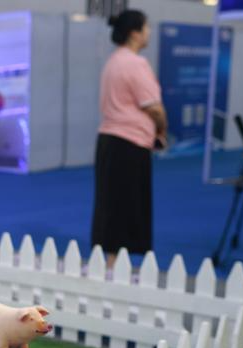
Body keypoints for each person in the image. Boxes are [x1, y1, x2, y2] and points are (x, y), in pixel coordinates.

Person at [91, 10, 166, 264]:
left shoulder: (113, 61)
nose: (149, 32)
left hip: (110, 141)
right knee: (127, 205)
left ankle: (111, 262)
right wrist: (162, 129)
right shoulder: (135, 64)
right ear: (135, 33)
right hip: (129, 144)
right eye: (146, 27)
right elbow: (154, 107)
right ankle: (115, 265)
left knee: (111, 203)